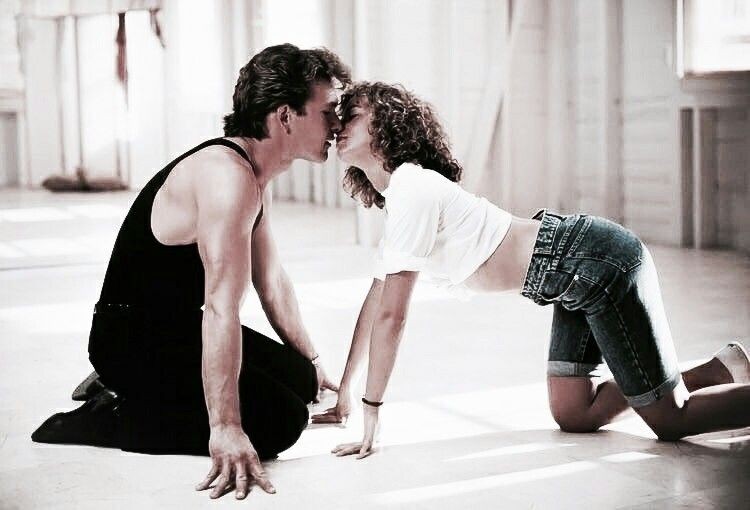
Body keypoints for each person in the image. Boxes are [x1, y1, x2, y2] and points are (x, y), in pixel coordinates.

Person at [311, 81, 750, 458]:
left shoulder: (413, 187)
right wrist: (346, 393)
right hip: (572, 281)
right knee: (574, 413)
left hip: (598, 262)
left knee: (670, 420)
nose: (339, 124)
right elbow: (375, 303)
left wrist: (373, 412)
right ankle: (718, 369)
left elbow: (393, 316)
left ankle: (687, 389)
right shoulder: (400, 199)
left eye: (353, 114)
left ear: (386, 124)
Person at [32, 43, 351, 499]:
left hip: (174, 326)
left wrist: (315, 364)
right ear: (285, 116)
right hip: (130, 340)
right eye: (328, 111)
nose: (337, 124)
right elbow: (221, 308)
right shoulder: (226, 176)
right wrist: (225, 427)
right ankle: (114, 412)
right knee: (281, 423)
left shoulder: (255, 171)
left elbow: (272, 283)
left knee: (301, 379)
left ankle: (136, 388)